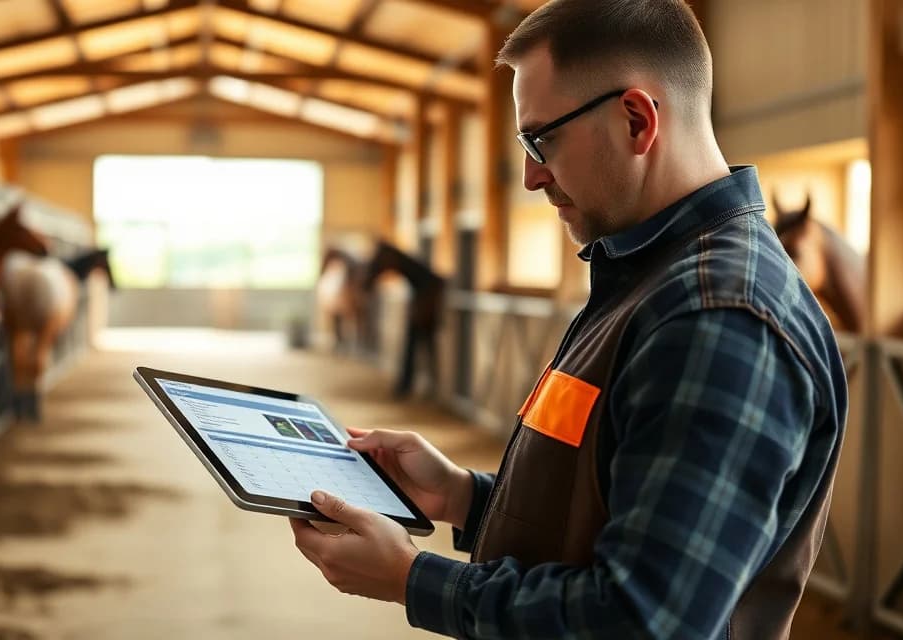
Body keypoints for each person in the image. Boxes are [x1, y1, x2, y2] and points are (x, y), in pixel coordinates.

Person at [288, 0, 848, 638]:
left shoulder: (715, 317)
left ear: (637, 120)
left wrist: (414, 579)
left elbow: (645, 620)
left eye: (541, 138)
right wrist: (464, 495)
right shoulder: (647, 278)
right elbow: (619, 499)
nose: (530, 175)